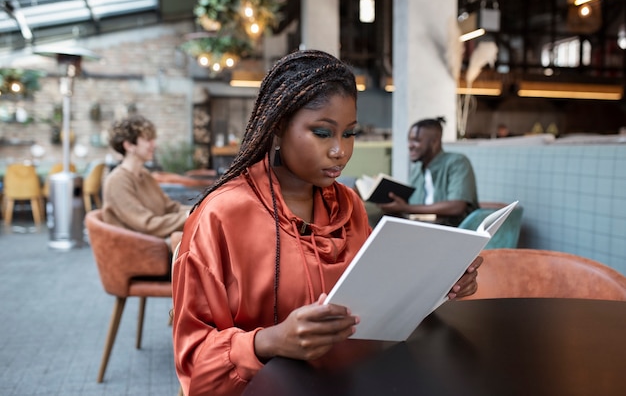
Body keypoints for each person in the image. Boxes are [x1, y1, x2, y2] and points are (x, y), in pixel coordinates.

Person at [171, 50, 482, 396]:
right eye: (322, 133)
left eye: (349, 134)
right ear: (278, 127)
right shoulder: (221, 215)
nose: (340, 151)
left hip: (356, 381)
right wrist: (269, 342)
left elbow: (376, 301)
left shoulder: (350, 206)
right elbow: (195, 361)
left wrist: (438, 283)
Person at [102, 115, 190, 244]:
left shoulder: (146, 176)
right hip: (139, 251)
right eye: (148, 139)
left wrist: (199, 209)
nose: (154, 145)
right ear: (129, 145)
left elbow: (170, 208)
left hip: (157, 244)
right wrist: (190, 216)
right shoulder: (116, 182)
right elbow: (147, 225)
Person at [378, 117, 478, 227]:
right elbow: (413, 205)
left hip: (454, 232)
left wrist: (406, 208)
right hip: (422, 229)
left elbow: (456, 207)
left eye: (416, 140)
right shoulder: (417, 169)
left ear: (434, 142)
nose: (410, 146)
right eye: (409, 140)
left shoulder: (457, 162)